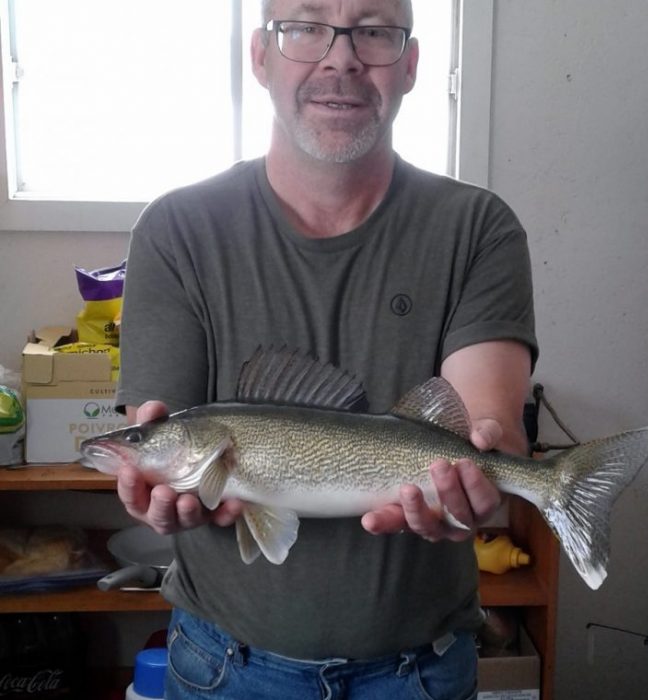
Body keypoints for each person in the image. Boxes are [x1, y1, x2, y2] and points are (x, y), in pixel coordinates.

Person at [115, 0, 537, 697]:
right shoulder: (175, 230)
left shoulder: (478, 228)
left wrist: (485, 469)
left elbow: (490, 432)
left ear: (409, 65)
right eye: (304, 26)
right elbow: (166, 434)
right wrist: (152, 482)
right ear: (260, 56)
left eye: (373, 31)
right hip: (225, 668)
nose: (340, 57)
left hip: (419, 671)